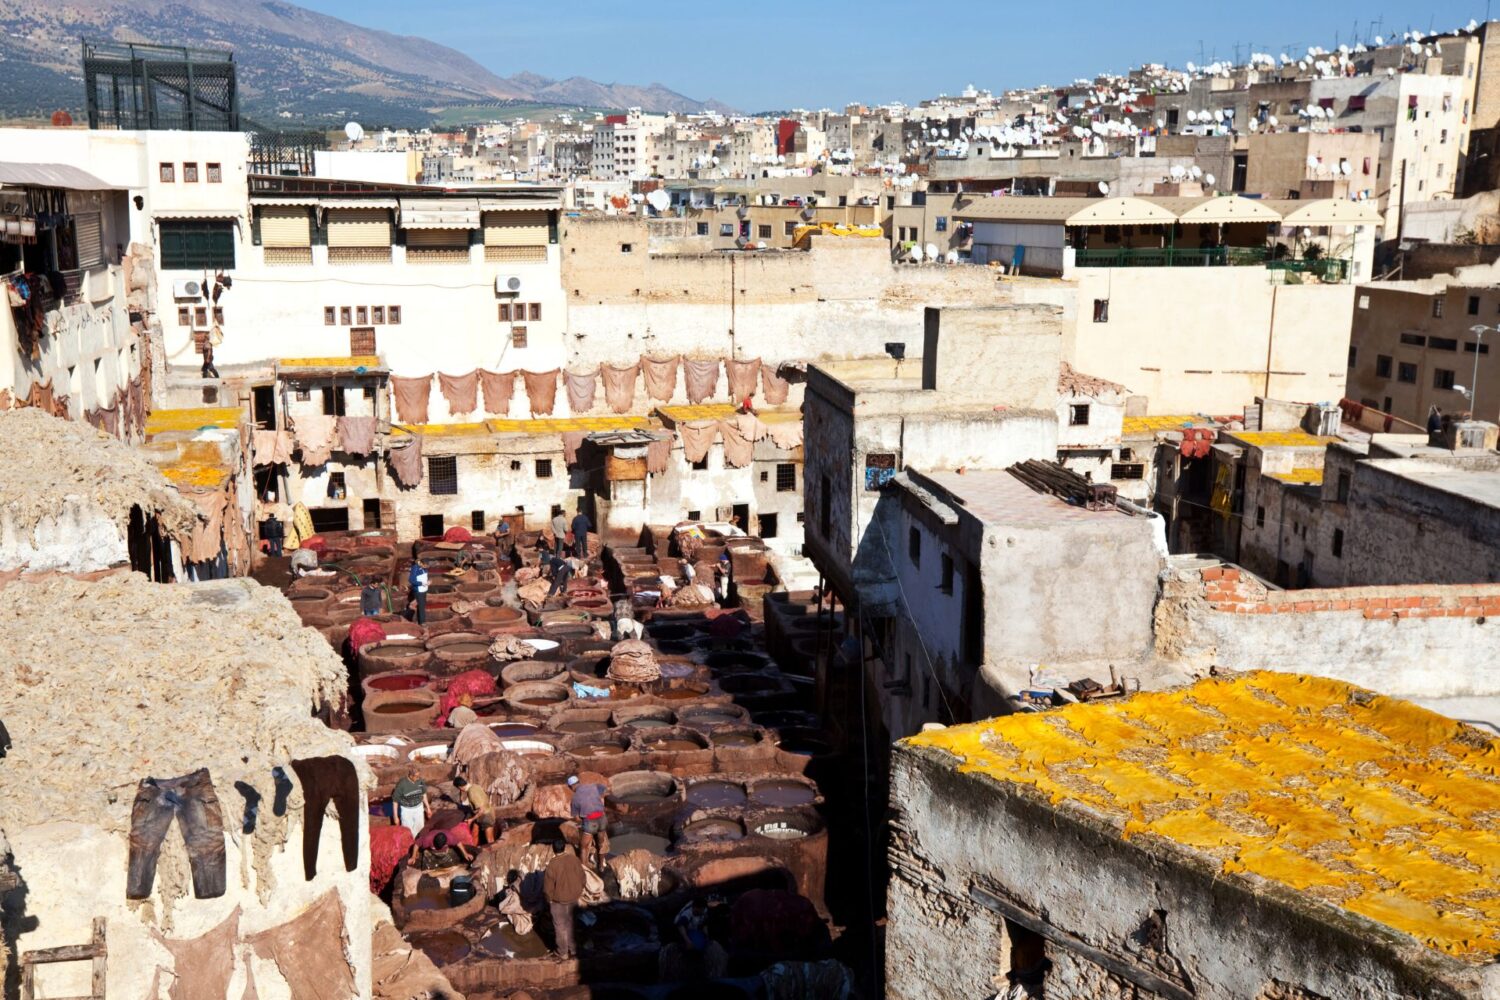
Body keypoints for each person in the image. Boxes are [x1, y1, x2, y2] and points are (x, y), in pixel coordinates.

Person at [543, 840, 585, 960]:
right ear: (564, 848)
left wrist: (549, 899)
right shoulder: (574, 859)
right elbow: (583, 877)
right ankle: (573, 949)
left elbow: (547, 888)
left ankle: (562, 952)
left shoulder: (552, 865)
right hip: (574, 897)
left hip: (559, 901)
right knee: (571, 923)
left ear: (553, 849)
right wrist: (579, 890)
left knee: (560, 926)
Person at [567, 774, 609, 869]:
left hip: (590, 821)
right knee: (601, 843)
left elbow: (576, 818)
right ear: (578, 782)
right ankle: (601, 865)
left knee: (584, 847)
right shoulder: (593, 786)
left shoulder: (575, 799)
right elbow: (604, 789)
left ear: (571, 786)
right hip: (602, 818)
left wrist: (582, 823)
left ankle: (585, 870)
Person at [454, 776, 500, 845]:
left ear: (460, 787)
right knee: (474, 833)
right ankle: (474, 848)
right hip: (481, 815)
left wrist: (471, 819)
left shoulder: (471, 792)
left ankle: (491, 853)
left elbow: (481, 810)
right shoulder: (475, 786)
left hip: (486, 816)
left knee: (490, 840)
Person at [407, 830, 475, 870]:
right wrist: (413, 856)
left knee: (451, 863)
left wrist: (466, 854)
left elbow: (459, 844)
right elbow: (416, 844)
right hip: (431, 853)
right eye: (436, 846)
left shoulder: (450, 837)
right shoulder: (427, 839)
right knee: (427, 865)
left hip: (445, 853)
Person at [392, 766, 430, 837]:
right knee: (407, 830)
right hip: (407, 810)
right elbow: (395, 801)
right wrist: (395, 816)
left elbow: (424, 794)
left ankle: (417, 843)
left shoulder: (420, 781)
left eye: (419, 776)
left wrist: (428, 808)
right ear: (411, 776)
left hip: (418, 808)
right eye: (416, 776)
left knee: (420, 828)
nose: (418, 778)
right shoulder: (402, 784)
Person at [407, 555, 430, 624]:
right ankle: (422, 623)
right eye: (425, 566)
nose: (426, 567)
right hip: (419, 590)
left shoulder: (424, 568)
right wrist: (421, 583)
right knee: (421, 606)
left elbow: (425, 576)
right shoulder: (415, 568)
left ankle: (420, 619)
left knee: (423, 605)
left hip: (424, 589)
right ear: (422, 564)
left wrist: (428, 581)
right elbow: (411, 580)